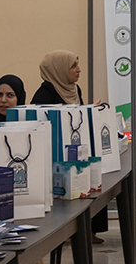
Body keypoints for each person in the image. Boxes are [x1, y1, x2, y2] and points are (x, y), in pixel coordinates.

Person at [31, 51, 107, 236]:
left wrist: (90, 110)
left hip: (75, 150)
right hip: (56, 157)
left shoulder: (74, 89)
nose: (78, 70)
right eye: (73, 66)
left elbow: (76, 117)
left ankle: (88, 230)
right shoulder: (45, 93)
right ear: (59, 69)